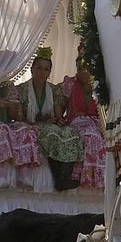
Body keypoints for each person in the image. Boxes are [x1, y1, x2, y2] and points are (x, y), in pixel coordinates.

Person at [16, 49, 82, 190]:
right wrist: (43, 123)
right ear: (32, 69)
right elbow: (20, 119)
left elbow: (58, 115)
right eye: (38, 68)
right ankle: (57, 175)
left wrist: (60, 121)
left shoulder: (54, 90)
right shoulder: (21, 89)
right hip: (31, 126)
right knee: (52, 132)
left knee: (71, 132)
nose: (42, 72)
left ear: (49, 72)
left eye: (46, 69)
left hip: (50, 125)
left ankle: (64, 177)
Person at [60, 52, 106, 189]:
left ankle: (103, 179)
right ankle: (86, 178)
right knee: (91, 137)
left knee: (104, 138)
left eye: (85, 68)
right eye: (79, 69)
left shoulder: (99, 85)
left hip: (98, 123)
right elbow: (60, 108)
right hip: (77, 122)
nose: (82, 72)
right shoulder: (70, 83)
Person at [0, 80, 40, 189]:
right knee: (1, 129)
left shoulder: (8, 85)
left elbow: (13, 116)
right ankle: (0, 173)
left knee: (23, 129)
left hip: (5, 122)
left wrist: (12, 106)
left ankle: (24, 172)